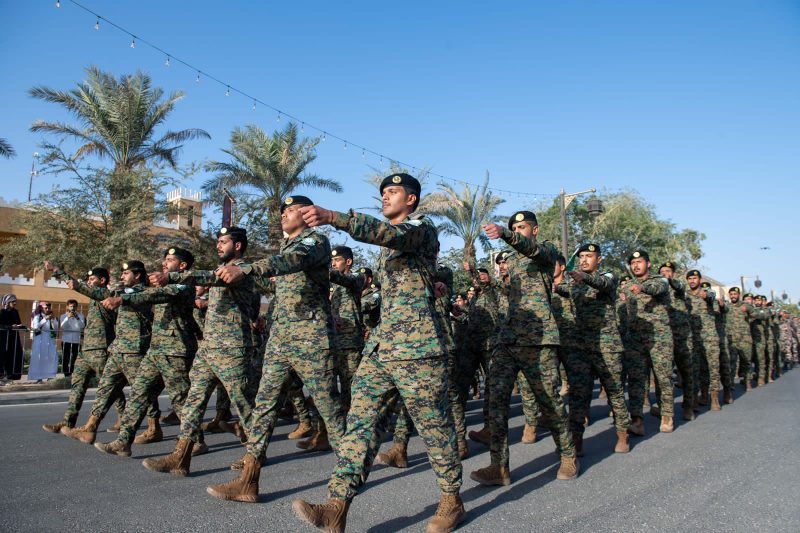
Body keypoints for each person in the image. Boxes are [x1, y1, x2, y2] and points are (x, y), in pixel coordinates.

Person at [292, 174, 465, 533]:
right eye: (383, 192)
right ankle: (336, 506)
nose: (385, 197)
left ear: (411, 199)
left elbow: (390, 234)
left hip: (419, 349)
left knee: (434, 427)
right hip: (383, 347)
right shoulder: (388, 245)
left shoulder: (421, 229)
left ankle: (451, 499)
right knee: (360, 424)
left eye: (393, 192)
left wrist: (335, 217)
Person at [204, 195, 347, 502]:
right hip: (280, 340)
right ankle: (248, 481)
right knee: (264, 406)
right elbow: (278, 281)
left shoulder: (315, 242)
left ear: (307, 215)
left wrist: (248, 270)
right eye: (283, 211)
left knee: (330, 411)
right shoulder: (285, 249)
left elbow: (292, 261)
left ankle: (346, 484)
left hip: (311, 340)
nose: (284, 214)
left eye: (291, 210)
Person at [141, 227, 260, 477]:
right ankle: (181, 457)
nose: (218, 245)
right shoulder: (221, 269)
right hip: (209, 347)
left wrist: (172, 277)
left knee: (244, 404)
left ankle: (255, 454)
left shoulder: (241, 270)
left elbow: (209, 277)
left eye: (223, 242)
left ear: (238, 246)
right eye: (218, 241)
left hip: (232, 347)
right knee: (193, 401)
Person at [470, 209, 577, 488]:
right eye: (514, 228)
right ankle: (499, 466)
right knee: (496, 402)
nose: (517, 231)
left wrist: (505, 234)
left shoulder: (546, 251)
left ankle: (568, 455)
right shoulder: (511, 261)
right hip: (508, 339)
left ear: (535, 230)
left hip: (538, 340)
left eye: (522, 227)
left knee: (549, 401)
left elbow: (533, 250)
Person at [94, 247, 203, 457]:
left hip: (175, 351)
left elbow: (159, 294)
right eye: (165, 259)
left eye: (170, 260)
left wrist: (123, 299)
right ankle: (124, 441)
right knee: (138, 393)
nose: (164, 263)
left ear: (182, 266)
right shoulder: (163, 284)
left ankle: (196, 440)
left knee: (180, 399)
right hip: (155, 349)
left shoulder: (185, 284)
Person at [60, 261, 158, 444]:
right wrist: (67, 278)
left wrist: (119, 298)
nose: (122, 276)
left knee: (142, 390)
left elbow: (135, 298)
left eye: (126, 273)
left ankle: (154, 427)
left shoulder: (145, 293)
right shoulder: (121, 292)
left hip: (134, 350)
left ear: (137, 275)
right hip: (117, 349)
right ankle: (90, 428)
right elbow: (96, 292)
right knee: (105, 388)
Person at [556, 243, 631, 455]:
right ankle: (576, 440)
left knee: (615, 392)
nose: (584, 260)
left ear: (599, 259)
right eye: (581, 256)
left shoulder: (608, 277)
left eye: (589, 256)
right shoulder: (574, 285)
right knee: (578, 395)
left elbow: (602, 283)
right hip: (581, 347)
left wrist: (583, 278)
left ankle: (622, 435)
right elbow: (558, 289)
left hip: (607, 346)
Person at [41, 264, 121, 434]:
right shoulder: (94, 297)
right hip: (86, 350)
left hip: (101, 349)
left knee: (111, 386)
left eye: (92, 279)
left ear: (102, 280)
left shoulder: (105, 294)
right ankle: (67, 422)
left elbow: (78, 286)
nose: (89, 282)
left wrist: (58, 271)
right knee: (77, 385)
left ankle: (124, 418)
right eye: (88, 279)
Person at [623, 250, 674, 434]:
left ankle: (667, 415)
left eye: (639, 262)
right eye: (633, 263)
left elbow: (656, 289)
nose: (636, 265)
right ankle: (637, 420)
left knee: (663, 377)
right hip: (635, 338)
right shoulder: (628, 286)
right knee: (636, 379)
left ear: (648, 264)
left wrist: (642, 288)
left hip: (659, 337)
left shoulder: (660, 280)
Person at [29, 301, 59, 382]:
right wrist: (45, 319)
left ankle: (50, 376)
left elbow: (55, 328)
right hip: (40, 339)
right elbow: (36, 327)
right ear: (41, 308)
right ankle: (39, 378)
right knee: (40, 358)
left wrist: (53, 320)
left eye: (49, 308)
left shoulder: (52, 316)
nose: (48, 309)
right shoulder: (37, 316)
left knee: (52, 357)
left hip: (50, 339)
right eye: (46, 308)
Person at [0, 294, 25, 382]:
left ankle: (12, 375)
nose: (15, 303)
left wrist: (22, 327)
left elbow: (19, 323)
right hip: (4, 337)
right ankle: (2, 375)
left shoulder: (15, 312)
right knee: (3, 355)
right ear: (7, 302)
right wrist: (10, 327)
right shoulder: (2, 312)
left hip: (14, 337)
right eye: (13, 301)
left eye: (15, 301)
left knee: (15, 354)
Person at [60, 299, 86, 377]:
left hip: (76, 340)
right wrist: (67, 318)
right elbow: (63, 327)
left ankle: (73, 373)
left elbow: (82, 326)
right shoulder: (63, 316)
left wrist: (77, 318)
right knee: (66, 358)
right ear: (67, 307)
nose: (72, 308)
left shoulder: (81, 316)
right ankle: (66, 374)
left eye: (74, 306)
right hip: (66, 340)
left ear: (77, 307)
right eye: (71, 306)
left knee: (75, 358)